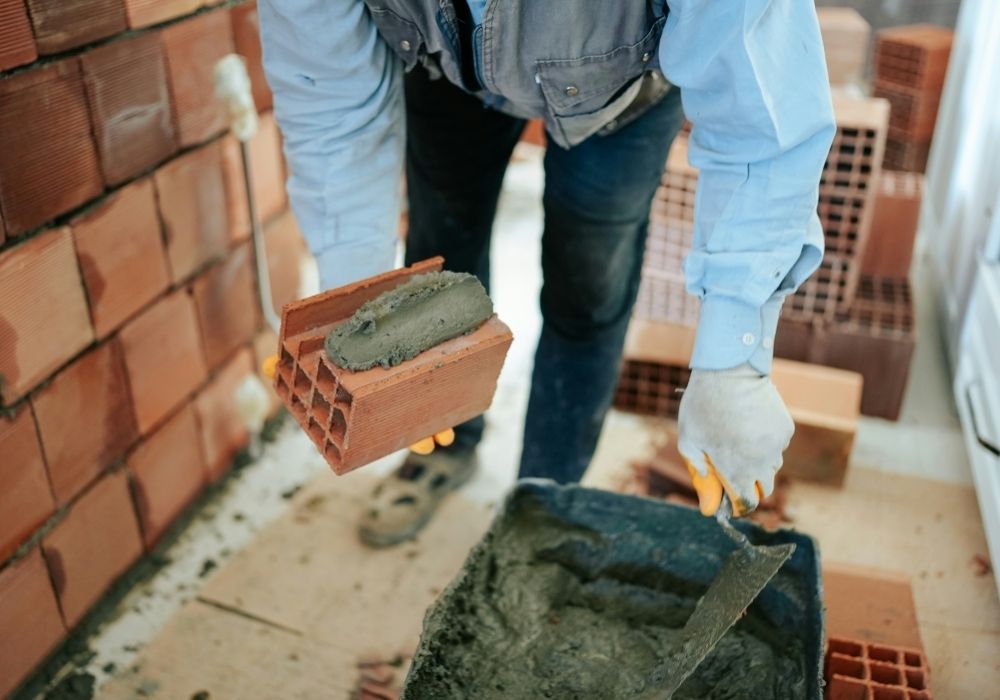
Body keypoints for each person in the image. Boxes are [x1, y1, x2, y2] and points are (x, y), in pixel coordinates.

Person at [259, 0, 836, 546]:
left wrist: (734, 358)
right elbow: (328, 102)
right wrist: (358, 306)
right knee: (438, 261)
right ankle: (445, 448)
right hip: (448, 73)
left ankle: (543, 501)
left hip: (618, 97)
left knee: (587, 289)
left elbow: (759, 117)